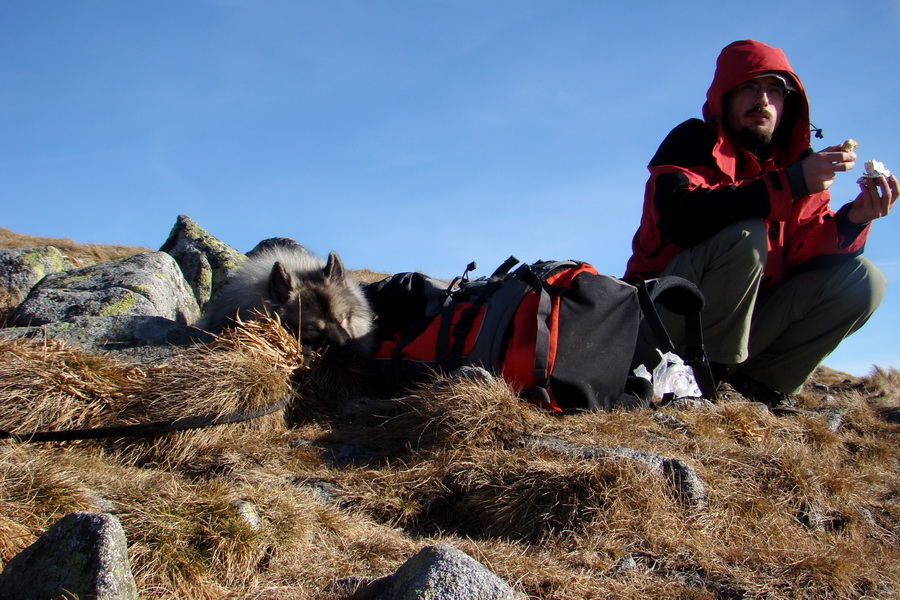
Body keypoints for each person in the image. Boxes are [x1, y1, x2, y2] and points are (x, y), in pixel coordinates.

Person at [624, 39, 898, 406]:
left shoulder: (797, 163)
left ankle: (758, 386)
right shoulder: (692, 141)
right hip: (660, 323)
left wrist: (854, 220)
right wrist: (790, 183)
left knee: (865, 280)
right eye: (750, 87)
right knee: (745, 233)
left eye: (774, 90)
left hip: (740, 328)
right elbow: (681, 219)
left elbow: (804, 253)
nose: (763, 99)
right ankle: (705, 380)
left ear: (788, 104)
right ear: (726, 96)